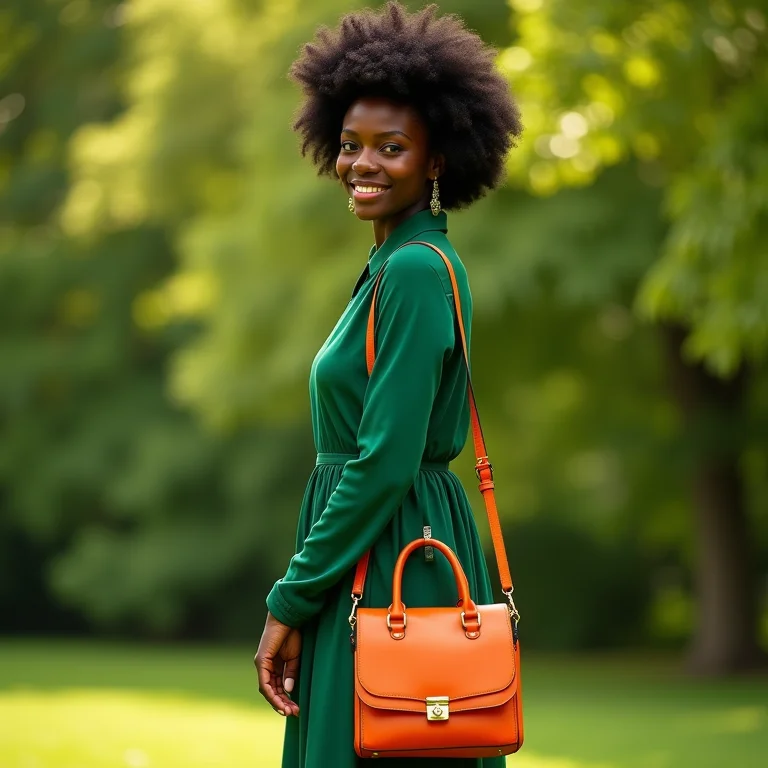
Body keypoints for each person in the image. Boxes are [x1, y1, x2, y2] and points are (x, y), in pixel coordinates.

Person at [254, 3, 522, 766]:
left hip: (394, 549)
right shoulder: (392, 266)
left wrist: (290, 598)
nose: (362, 163)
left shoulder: (411, 270)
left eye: (391, 148)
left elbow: (383, 462)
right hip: (380, 545)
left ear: (437, 160)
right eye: (350, 145)